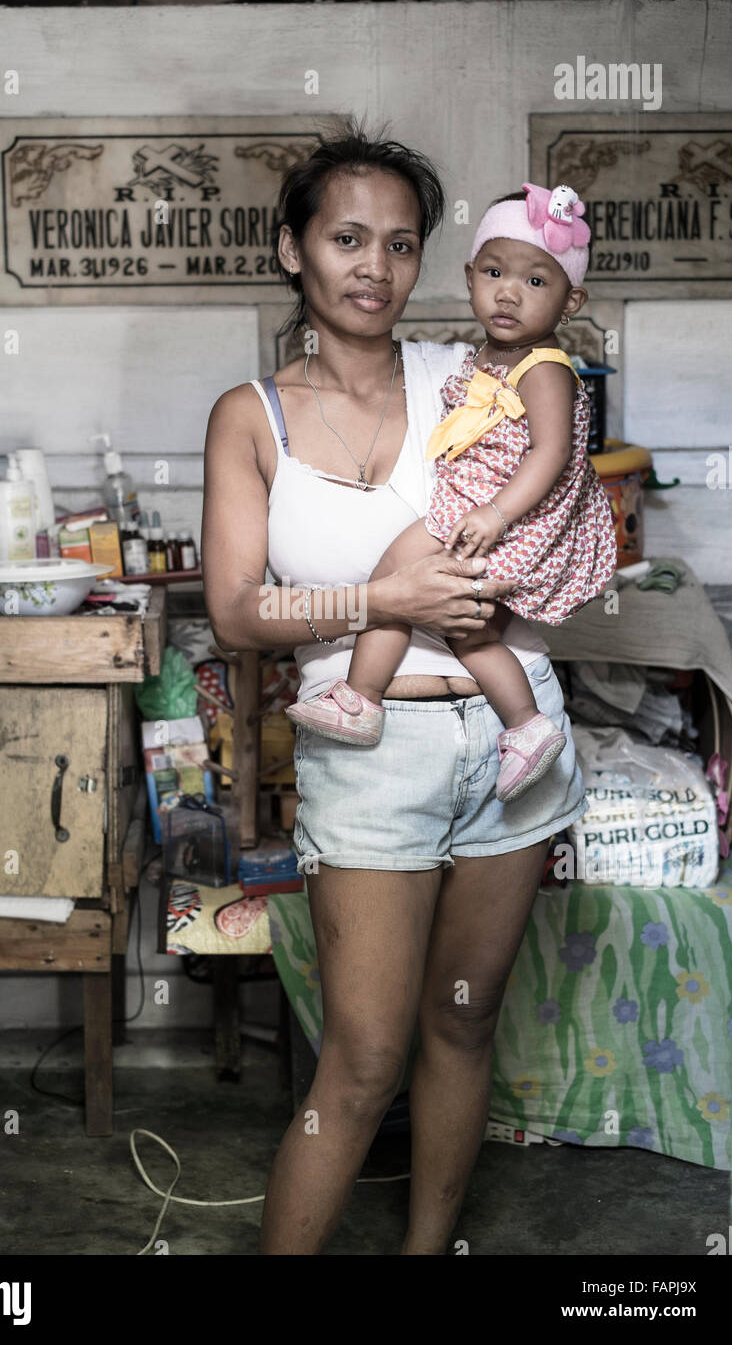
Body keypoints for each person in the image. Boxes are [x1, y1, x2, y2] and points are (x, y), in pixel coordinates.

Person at [201, 120, 588, 1255]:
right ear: (292, 250)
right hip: (373, 761)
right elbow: (234, 612)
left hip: (512, 741)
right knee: (364, 1061)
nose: (374, 267)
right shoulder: (250, 418)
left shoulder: (470, 374)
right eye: (346, 238)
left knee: (461, 1032)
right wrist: (388, 602)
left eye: (402, 244)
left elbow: (556, 474)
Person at [286, 183, 618, 804]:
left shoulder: (543, 367)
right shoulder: (488, 359)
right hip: (475, 507)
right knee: (467, 632)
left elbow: (551, 453)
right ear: (470, 277)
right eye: (494, 272)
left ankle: (360, 698)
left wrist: (494, 513)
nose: (509, 293)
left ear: (573, 300)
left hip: (493, 518)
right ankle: (526, 724)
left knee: (395, 573)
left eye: (537, 282)